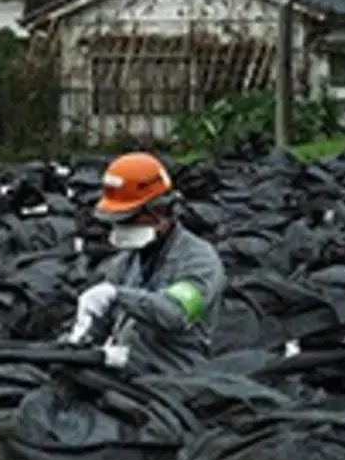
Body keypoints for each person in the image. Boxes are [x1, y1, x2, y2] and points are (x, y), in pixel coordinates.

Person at [62, 152, 225, 370]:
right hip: (127, 365)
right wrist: (82, 337)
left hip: (177, 373)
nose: (122, 228)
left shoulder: (199, 260)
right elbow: (105, 324)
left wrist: (117, 295)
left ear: (162, 210)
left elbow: (175, 313)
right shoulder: (125, 262)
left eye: (130, 219)